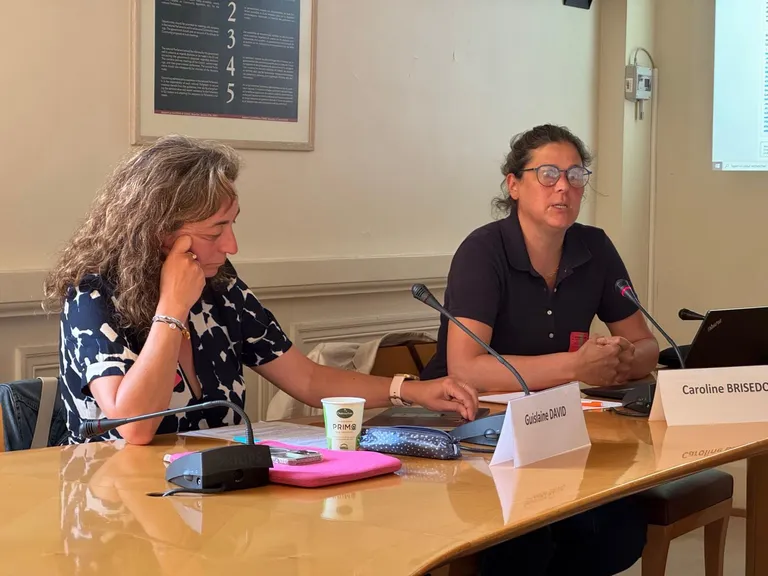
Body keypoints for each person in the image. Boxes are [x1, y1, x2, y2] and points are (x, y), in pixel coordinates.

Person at [43, 135, 478, 445]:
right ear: (159, 232)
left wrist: (411, 390)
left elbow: (306, 378)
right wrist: (172, 307)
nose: (231, 245)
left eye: (232, 225)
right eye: (215, 231)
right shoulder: (93, 294)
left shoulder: (219, 285)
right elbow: (134, 427)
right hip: (114, 512)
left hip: (210, 501)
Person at [421, 124, 657, 575]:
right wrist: (577, 366)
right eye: (548, 174)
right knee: (526, 535)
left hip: (555, 429)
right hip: (472, 429)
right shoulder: (483, 250)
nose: (563, 187)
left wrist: (618, 358)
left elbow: (647, 345)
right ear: (513, 184)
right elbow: (465, 369)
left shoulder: (595, 246)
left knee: (619, 527)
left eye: (576, 175)